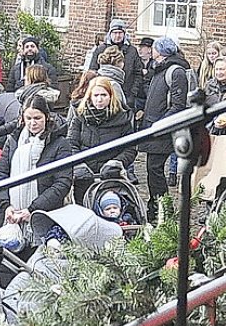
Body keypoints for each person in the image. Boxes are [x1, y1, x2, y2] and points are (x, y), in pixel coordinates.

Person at [0, 98, 74, 223]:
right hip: (11, 215)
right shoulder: (13, 141)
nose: (32, 123)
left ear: (47, 117)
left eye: (37, 118)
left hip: (47, 214)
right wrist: (6, 205)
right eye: (28, 118)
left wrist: (33, 208)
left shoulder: (60, 143)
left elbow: (62, 182)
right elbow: (1, 174)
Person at [140, 37, 191, 210]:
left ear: (160, 51)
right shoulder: (159, 69)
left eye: (154, 47)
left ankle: (162, 208)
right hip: (153, 125)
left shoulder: (175, 72)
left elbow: (178, 105)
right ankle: (156, 205)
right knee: (152, 170)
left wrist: (159, 125)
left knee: (155, 170)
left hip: (163, 129)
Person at [66, 73, 135, 173]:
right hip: (84, 173)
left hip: (112, 173)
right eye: (96, 95)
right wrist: (79, 164)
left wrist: (116, 163)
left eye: (103, 95)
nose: (99, 99)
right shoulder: (80, 117)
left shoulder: (123, 118)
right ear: (90, 96)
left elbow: (130, 148)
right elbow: (71, 143)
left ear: (111, 96)